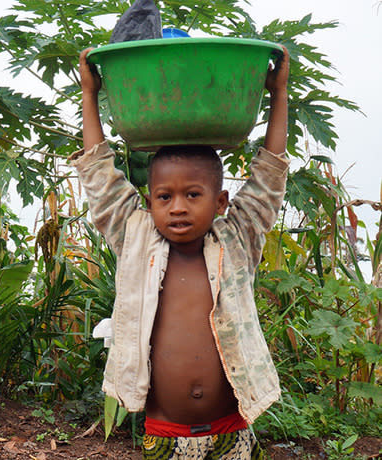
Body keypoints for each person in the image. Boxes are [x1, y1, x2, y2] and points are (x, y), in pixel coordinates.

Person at [70, 45, 290, 459]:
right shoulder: (135, 237)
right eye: (163, 196)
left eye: (193, 194)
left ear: (221, 202)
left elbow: (269, 176)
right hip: (164, 433)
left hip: (234, 427)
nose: (177, 207)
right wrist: (90, 94)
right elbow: (100, 175)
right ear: (148, 201)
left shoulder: (237, 239)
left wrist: (277, 93)